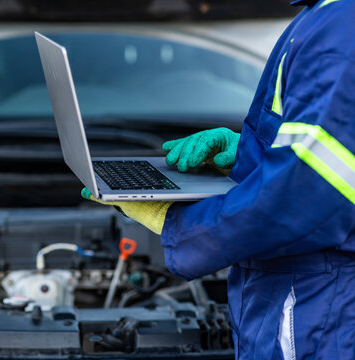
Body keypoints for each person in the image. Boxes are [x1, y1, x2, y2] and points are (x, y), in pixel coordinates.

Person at [82, 0, 355, 358]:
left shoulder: (339, 22)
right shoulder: (322, 15)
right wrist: (247, 153)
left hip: (318, 310)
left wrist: (178, 223)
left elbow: (310, 189)